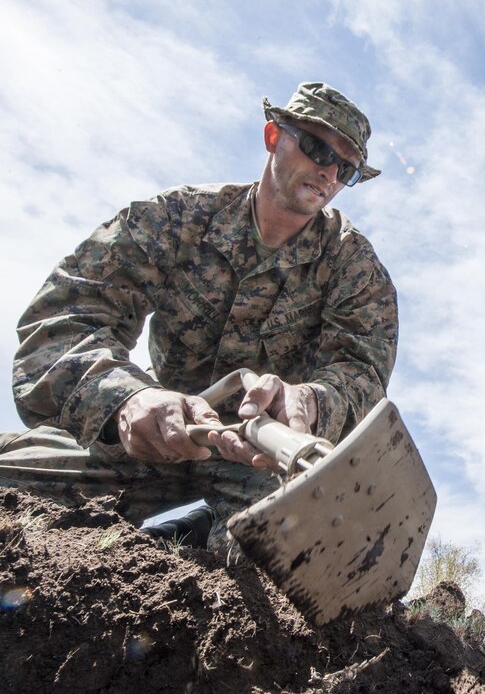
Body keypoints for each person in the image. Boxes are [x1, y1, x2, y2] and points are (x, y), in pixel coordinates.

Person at [0, 82, 398, 547]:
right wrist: (126, 399)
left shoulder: (356, 269)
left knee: (315, 556)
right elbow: (66, 316)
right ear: (274, 137)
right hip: (152, 432)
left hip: (265, 458)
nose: (328, 172)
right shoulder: (178, 217)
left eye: (345, 168)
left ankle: (199, 534)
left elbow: (362, 374)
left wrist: (312, 400)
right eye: (315, 147)